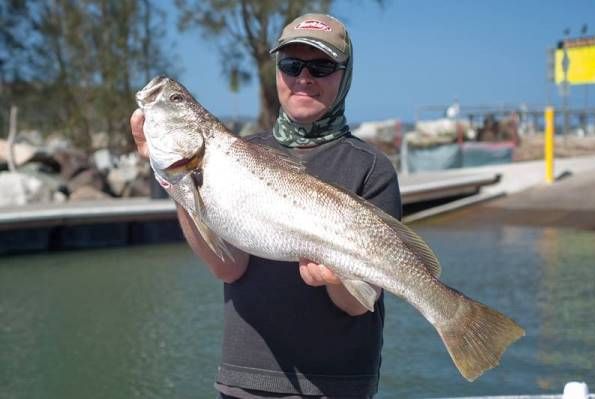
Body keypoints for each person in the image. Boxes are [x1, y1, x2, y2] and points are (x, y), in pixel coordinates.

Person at [130, 13, 402, 398]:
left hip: (338, 386)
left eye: (321, 66)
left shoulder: (371, 167)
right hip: (245, 381)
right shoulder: (239, 153)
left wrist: (337, 278)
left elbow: (360, 305)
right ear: (277, 71)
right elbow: (229, 266)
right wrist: (174, 179)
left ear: (345, 74)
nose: (304, 77)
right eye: (291, 65)